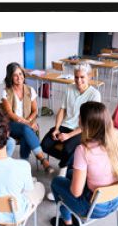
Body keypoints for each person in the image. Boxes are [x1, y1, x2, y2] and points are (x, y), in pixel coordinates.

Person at [50, 101, 118, 226]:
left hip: (94, 208)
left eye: (80, 117)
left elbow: (75, 192)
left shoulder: (83, 150)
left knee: (57, 182)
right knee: (69, 174)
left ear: (84, 124)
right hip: (116, 200)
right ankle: (71, 214)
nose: (78, 119)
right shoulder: (117, 136)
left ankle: (67, 223)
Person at [41, 62, 101, 199]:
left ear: (89, 77)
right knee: (45, 143)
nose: (78, 81)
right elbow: (62, 110)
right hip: (66, 125)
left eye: (82, 77)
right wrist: (56, 128)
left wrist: (68, 136)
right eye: (76, 77)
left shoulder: (95, 95)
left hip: (83, 130)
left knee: (68, 148)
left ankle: (61, 178)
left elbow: (89, 123)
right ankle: (69, 165)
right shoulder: (69, 88)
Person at [0, 62, 54, 174]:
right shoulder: (6, 92)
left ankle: (24, 164)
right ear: (10, 77)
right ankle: (43, 160)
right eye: (15, 75)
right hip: (11, 125)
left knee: (25, 133)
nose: (19, 77)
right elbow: (10, 114)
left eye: (21, 74)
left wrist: (28, 121)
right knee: (26, 129)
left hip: (27, 125)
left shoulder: (30, 90)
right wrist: (28, 124)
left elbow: (35, 111)